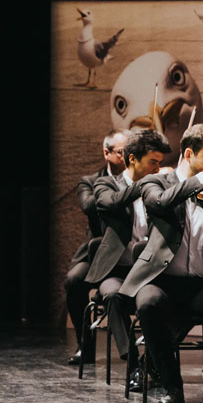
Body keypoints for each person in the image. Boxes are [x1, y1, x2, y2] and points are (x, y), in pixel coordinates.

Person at [118, 124, 203, 403]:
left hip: (202, 284)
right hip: (162, 281)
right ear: (188, 153)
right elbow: (160, 202)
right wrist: (202, 179)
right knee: (147, 303)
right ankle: (171, 388)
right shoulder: (156, 182)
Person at [86, 129, 168, 390]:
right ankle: (133, 364)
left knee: (167, 301)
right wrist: (141, 187)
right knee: (112, 296)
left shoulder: (160, 186)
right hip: (117, 269)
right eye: (153, 162)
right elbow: (109, 202)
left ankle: (153, 363)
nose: (158, 167)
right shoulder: (106, 184)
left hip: (149, 271)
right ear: (133, 159)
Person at [66, 129, 126, 365]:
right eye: (122, 152)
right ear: (107, 153)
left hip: (128, 248)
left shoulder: (140, 179)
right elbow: (89, 206)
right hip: (98, 249)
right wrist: (121, 191)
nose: (127, 156)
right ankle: (85, 345)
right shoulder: (90, 181)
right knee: (73, 281)